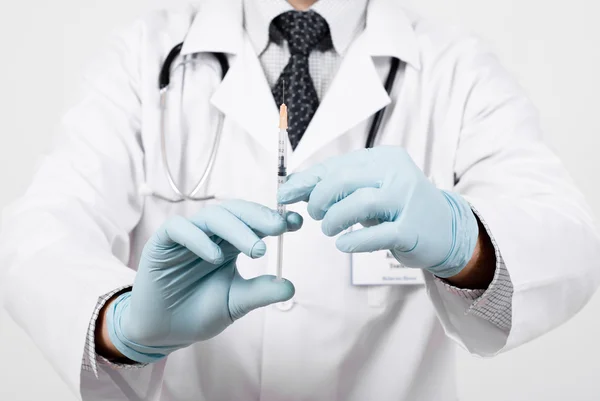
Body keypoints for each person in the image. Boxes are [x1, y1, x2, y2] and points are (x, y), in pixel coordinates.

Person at [2, 0, 599, 400]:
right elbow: (40, 234)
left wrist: (464, 240)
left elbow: (566, 236)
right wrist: (123, 325)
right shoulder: (145, 60)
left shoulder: (454, 71)